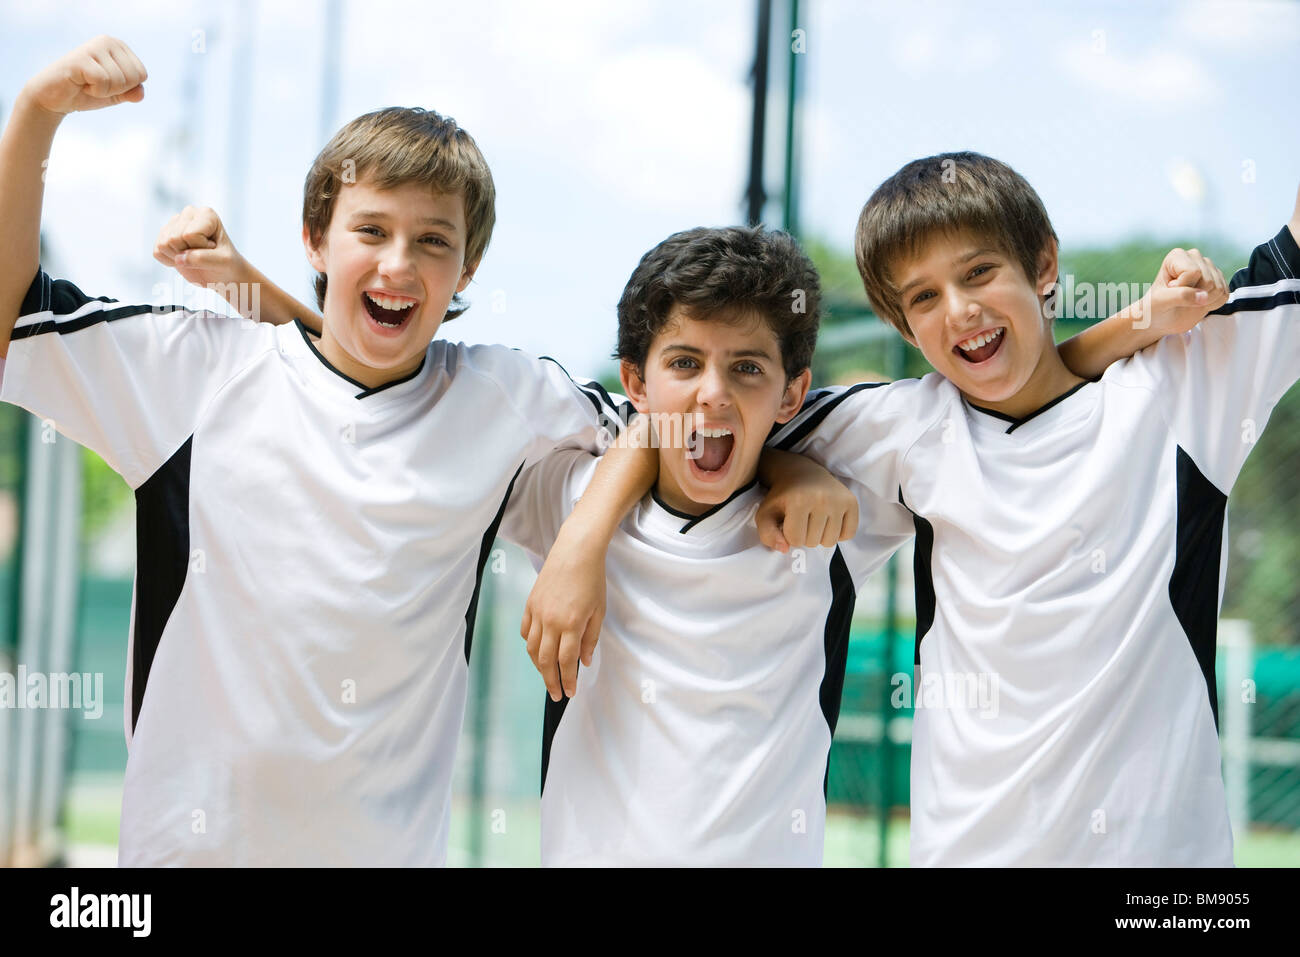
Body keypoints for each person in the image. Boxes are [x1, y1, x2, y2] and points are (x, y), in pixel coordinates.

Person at [198, 211, 1224, 864]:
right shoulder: (567, 487)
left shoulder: (837, 503)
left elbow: (1015, 387)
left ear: (794, 393)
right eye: (681, 363)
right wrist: (579, 542)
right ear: (632, 383)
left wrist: (1135, 323)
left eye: (747, 370)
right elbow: (381, 386)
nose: (712, 393)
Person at [0, 35, 649, 866]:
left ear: (469, 266)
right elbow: (14, 321)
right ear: (314, 238)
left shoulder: (504, 399)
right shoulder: (196, 372)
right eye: (369, 229)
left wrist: (581, 544)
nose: (397, 263)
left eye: (433, 242)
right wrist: (37, 112)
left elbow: (654, 423)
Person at [767, 152, 1297, 865]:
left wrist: (1143, 321)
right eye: (923, 298)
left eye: (979, 271)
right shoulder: (906, 426)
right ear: (903, 328)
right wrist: (785, 465)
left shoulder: (1185, 382)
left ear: (1044, 263)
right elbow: (712, 426)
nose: (959, 309)